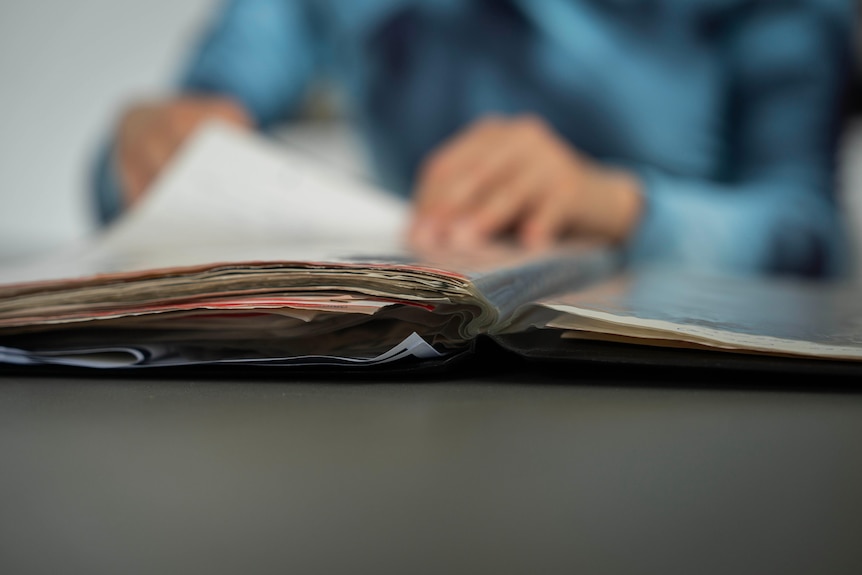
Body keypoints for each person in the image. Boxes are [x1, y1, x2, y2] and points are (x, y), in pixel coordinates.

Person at [92, 0, 858, 278]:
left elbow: (805, 227)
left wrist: (609, 203)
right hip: (420, 344)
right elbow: (203, 112)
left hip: (686, 372)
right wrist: (154, 143)